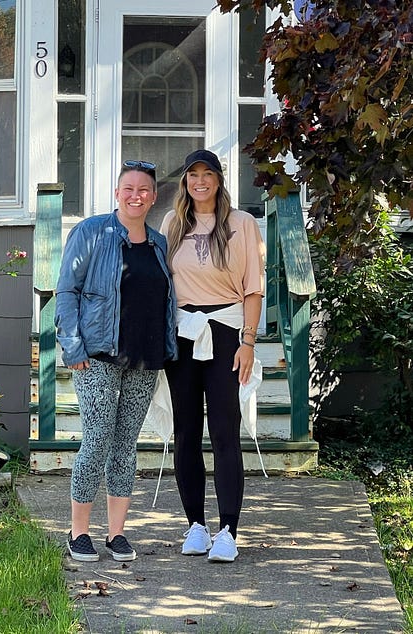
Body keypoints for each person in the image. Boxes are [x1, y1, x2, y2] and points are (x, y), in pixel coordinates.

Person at [55, 160, 177, 562]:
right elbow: (67, 290)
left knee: (126, 445)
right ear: (117, 192)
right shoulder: (92, 232)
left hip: (144, 358)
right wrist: (72, 347)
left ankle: (117, 534)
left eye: (144, 189)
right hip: (97, 356)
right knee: (97, 439)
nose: (136, 195)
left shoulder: (159, 243)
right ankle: (78, 534)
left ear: (154, 196)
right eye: (128, 188)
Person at [160, 149, 265, 563]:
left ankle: (228, 530)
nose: (200, 181)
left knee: (224, 430)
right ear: (185, 181)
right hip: (183, 335)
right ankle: (195, 526)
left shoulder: (242, 224)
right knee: (186, 431)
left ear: (219, 180)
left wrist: (249, 342)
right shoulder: (173, 223)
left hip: (226, 334)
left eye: (208, 174)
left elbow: (253, 289)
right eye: (192, 174)